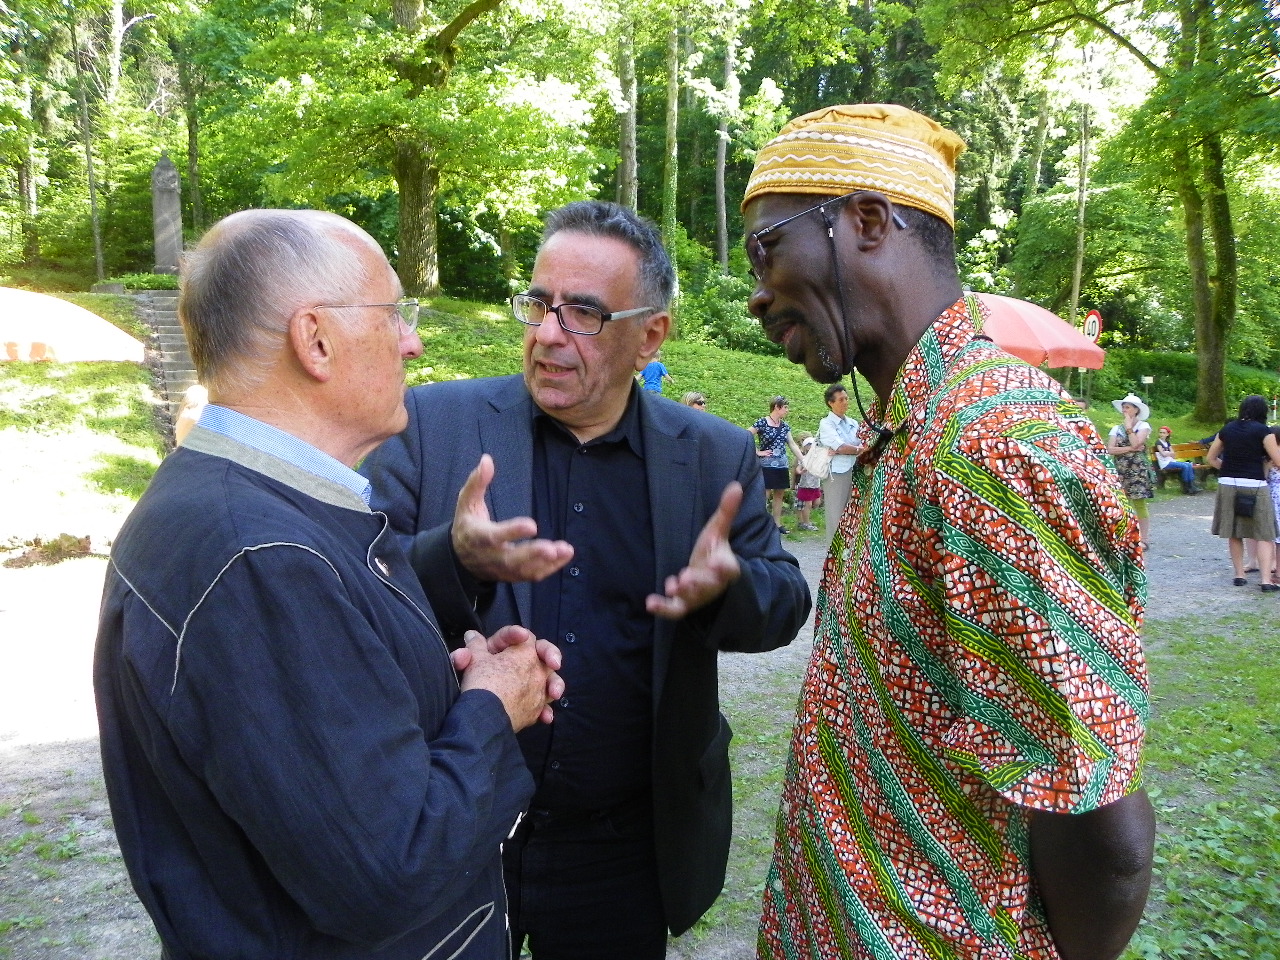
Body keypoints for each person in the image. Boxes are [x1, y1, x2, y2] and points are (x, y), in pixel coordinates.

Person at [93, 209, 563, 960]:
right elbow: (388, 873)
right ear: (315, 340)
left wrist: (437, 685)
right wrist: (491, 707)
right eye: (392, 314)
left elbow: (306, 754)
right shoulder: (257, 558)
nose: (412, 341)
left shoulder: (243, 511)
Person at [742, 103, 1153, 960]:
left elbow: (1097, 825)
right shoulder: (912, 431)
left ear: (865, 222)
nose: (756, 292)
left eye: (765, 248)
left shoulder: (991, 445)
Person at [361, 200, 811, 960]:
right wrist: (454, 559)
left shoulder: (710, 456)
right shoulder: (432, 425)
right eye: (539, 304)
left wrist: (730, 587)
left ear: (651, 336)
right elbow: (350, 588)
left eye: (584, 314)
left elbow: (786, 601)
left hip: (623, 850)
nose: (547, 334)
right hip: (453, 830)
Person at [1206, 394, 1280, 591]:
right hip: (1255, 484)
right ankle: (1265, 580)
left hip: (1227, 483)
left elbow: (1211, 458)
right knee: (1264, 532)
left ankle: (1239, 575)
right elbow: (1278, 460)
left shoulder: (1227, 429)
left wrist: (1227, 469)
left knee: (1234, 531)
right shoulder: (1264, 431)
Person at [749, 395, 805, 534]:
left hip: (781, 465)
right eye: (785, 407)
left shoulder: (784, 426)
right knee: (765, 494)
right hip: (766, 465)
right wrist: (758, 452)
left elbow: (792, 444)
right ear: (776, 407)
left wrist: (803, 460)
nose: (787, 410)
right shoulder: (762, 422)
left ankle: (777, 524)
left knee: (779, 493)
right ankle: (759, 525)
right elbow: (746, 435)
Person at [816, 381, 864, 538]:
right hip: (836, 473)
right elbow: (841, 447)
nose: (845, 402)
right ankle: (833, 551)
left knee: (854, 515)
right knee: (836, 515)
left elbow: (861, 443)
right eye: (841, 400)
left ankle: (848, 551)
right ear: (831, 403)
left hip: (855, 470)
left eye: (846, 398)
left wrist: (850, 449)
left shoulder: (853, 423)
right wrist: (856, 450)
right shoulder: (826, 423)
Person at [1106, 393, 1154, 547]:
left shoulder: (1143, 426)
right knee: (1122, 502)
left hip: (1137, 470)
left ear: (1136, 410)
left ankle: (1143, 539)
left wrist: (1128, 427)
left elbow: (1136, 442)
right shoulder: (1115, 428)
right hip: (1121, 469)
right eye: (1123, 407)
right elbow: (1111, 449)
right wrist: (1131, 449)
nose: (1124, 410)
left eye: (1127, 407)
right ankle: (1124, 537)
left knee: (1139, 503)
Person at [1154, 424, 1200, 494]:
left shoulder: (1167, 443)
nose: (1161, 434)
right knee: (1185, 466)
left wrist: (1167, 453)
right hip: (1165, 463)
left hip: (1171, 461)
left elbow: (1173, 454)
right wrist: (1169, 453)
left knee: (1189, 465)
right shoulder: (1158, 443)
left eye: (1163, 433)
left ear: (1167, 434)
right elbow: (1163, 454)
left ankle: (1191, 486)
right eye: (1160, 432)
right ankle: (1186, 488)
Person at [793, 434, 822, 531]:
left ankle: (806, 520)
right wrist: (800, 471)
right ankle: (806, 523)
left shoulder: (818, 458)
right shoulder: (804, 458)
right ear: (805, 447)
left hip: (815, 484)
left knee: (817, 502)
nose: (812, 447)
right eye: (809, 445)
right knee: (807, 504)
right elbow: (798, 468)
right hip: (806, 485)